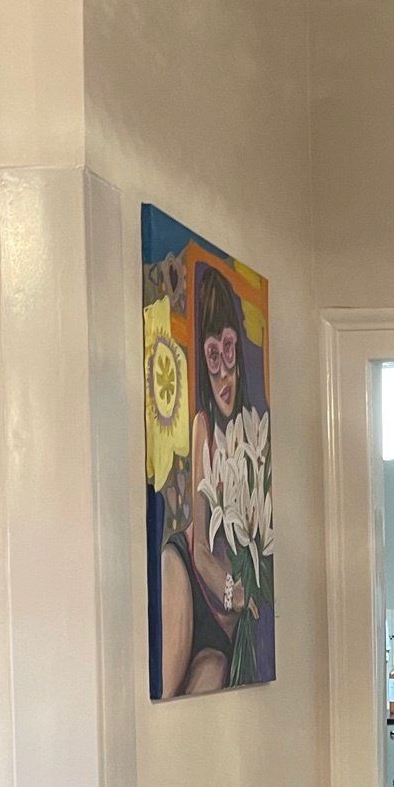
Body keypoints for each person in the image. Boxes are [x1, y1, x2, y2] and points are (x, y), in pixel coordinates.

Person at [160, 266, 252, 695]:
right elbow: (199, 549)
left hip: (225, 621)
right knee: (166, 688)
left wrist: (240, 602)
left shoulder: (255, 436)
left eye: (228, 352)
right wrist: (235, 595)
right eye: (212, 357)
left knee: (209, 679)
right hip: (193, 572)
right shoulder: (204, 429)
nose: (222, 376)